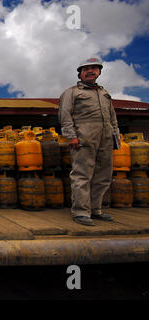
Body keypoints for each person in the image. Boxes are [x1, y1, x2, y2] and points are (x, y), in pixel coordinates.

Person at [58, 57, 119, 226]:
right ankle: (80, 212)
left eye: (94, 68)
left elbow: (113, 119)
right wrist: (71, 136)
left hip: (105, 138)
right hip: (84, 137)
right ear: (80, 74)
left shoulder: (104, 94)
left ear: (99, 72)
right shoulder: (72, 92)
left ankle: (95, 209)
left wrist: (115, 137)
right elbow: (65, 116)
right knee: (82, 175)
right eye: (86, 69)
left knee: (103, 175)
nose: (90, 71)